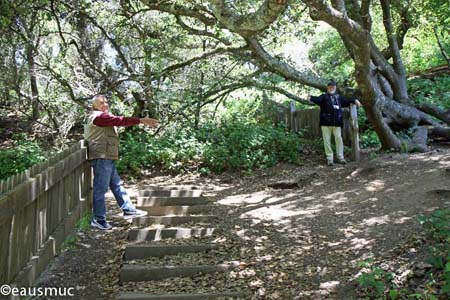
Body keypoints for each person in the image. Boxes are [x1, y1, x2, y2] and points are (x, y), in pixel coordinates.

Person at [84, 94, 158, 230]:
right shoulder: (99, 117)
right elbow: (119, 120)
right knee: (101, 189)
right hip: (101, 157)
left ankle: (128, 209)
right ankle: (99, 219)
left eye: (106, 102)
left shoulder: (103, 116)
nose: (104, 104)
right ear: (94, 105)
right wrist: (142, 120)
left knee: (117, 185)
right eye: (101, 103)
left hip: (107, 156)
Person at [308, 81, 361, 166]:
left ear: (335, 88)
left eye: (333, 87)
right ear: (327, 88)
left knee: (338, 139)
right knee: (327, 141)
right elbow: (317, 100)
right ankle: (330, 159)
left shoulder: (339, 97)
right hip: (325, 123)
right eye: (329, 87)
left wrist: (355, 100)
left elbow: (347, 101)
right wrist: (310, 97)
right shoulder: (324, 96)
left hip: (337, 123)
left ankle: (340, 157)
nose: (331, 88)